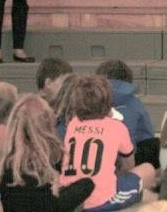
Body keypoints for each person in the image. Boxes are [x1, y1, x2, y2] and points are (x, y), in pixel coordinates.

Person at [59, 75, 155, 210]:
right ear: (109, 101)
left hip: (69, 198)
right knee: (148, 170)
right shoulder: (117, 126)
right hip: (100, 202)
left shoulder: (72, 124)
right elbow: (129, 165)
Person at [0, 93, 94, 211]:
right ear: (46, 124)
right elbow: (52, 207)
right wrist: (86, 184)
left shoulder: (7, 161)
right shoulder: (38, 166)